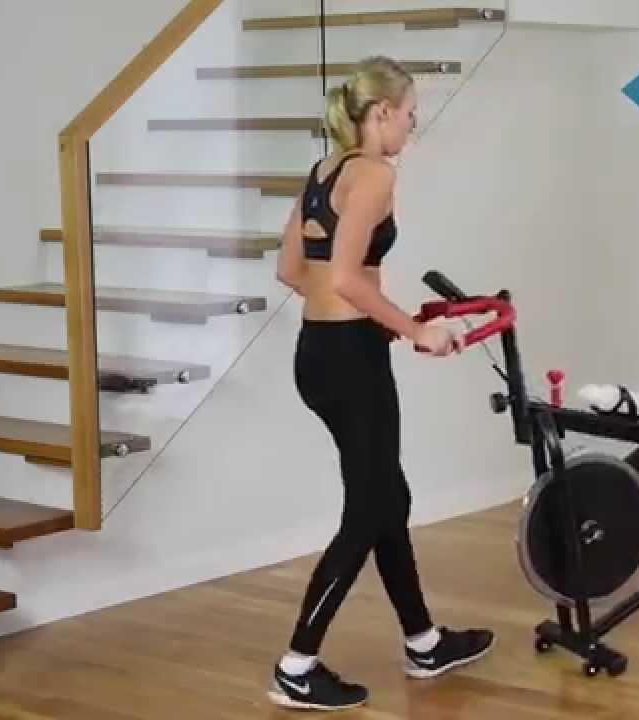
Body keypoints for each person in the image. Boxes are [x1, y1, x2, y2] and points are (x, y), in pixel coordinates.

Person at [269, 56, 495, 712]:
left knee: (386, 496)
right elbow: (345, 278)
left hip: (318, 353)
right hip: (351, 359)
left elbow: (292, 270)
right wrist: (414, 329)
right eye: (409, 115)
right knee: (369, 510)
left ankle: (424, 642)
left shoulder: (323, 172)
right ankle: (297, 664)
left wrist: (379, 321)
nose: (411, 128)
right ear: (382, 112)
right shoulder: (373, 174)